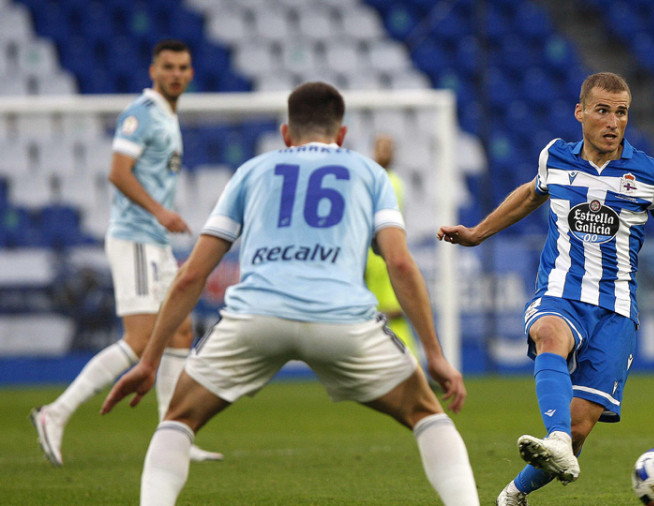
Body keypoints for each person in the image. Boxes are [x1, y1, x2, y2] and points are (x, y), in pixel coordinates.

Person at [100, 82, 480, 506]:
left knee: (178, 418)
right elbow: (401, 264)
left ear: (286, 134)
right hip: (342, 319)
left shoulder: (251, 171)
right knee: (426, 413)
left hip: (256, 317)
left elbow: (191, 275)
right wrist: (436, 355)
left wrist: (150, 361)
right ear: (341, 135)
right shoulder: (371, 173)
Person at [437, 72, 654, 505]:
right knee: (550, 334)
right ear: (580, 112)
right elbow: (530, 195)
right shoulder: (555, 157)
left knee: (578, 430)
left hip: (615, 310)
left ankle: (513, 494)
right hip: (560, 291)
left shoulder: (651, 174)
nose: (613, 122)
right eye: (602, 111)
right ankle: (554, 436)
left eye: (622, 113)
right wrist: (478, 233)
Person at [29, 39, 222, 465]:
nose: (176, 74)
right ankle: (54, 413)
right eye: (168, 67)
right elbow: (118, 172)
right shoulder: (141, 114)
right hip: (135, 237)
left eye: (183, 67)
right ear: (153, 71)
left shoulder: (169, 117)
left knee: (181, 332)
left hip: (154, 241)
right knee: (139, 340)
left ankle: (174, 436)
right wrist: (160, 212)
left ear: (191, 73)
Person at [365, 133, 418, 357]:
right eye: (380, 147)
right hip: (370, 254)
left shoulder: (394, 182)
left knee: (394, 311)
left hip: (387, 251)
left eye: (388, 148)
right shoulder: (370, 181)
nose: (384, 153)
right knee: (373, 314)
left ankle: (410, 362)